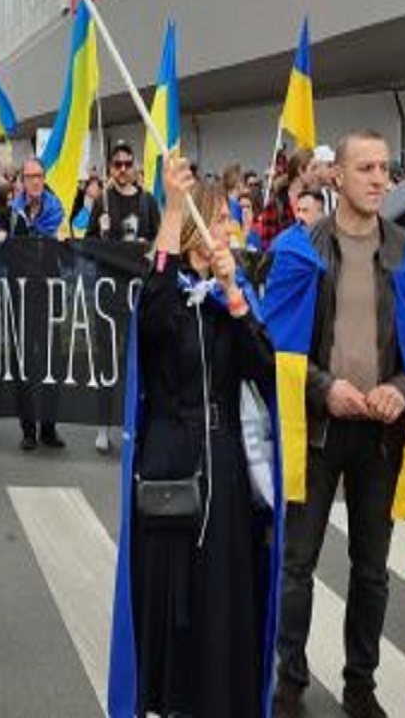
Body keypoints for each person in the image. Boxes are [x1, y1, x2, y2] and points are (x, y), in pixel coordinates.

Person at [268, 131, 405, 718]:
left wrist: (399, 390)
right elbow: (280, 347)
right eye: (365, 167)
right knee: (297, 566)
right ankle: (289, 682)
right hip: (318, 432)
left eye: (385, 169)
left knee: (372, 573)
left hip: (379, 437)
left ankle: (360, 687)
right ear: (336, 177)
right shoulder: (300, 250)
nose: (378, 179)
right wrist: (326, 390)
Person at [120, 151, 276, 718]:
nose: (230, 237)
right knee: (173, 595)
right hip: (172, 463)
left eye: (234, 230)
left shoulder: (229, 299)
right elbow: (153, 312)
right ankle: (167, 701)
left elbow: (265, 369)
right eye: (223, 227)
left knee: (221, 600)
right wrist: (167, 208)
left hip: (225, 465)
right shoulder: (170, 294)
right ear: (197, 230)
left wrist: (236, 296)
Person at [9, 159, 66, 449]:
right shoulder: (11, 211)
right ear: (22, 180)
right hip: (20, 295)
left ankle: (48, 427)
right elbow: (2, 250)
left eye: (39, 176)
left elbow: (67, 254)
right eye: (29, 176)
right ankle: (28, 429)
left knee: (51, 360)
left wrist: (65, 241)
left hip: (48, 293)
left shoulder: (56, 210)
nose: (35, 182)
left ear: (44, 179)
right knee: (24, 362)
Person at [88, 143, 160, 243]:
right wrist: (101, 233)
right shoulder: (102, 201)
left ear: (133, 167)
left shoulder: (148, 201)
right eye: (118, 164)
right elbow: (88, 244)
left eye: (128, 164)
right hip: (110, 258)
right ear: (111, 168)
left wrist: (147, 243)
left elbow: (159, 239)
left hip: (138, 258)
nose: (123, 169)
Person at [257, 148, 316, 250]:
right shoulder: (276, 204)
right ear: (301, 171)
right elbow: (267, 245)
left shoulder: (315, 201)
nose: (316, 174)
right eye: (313, 168)